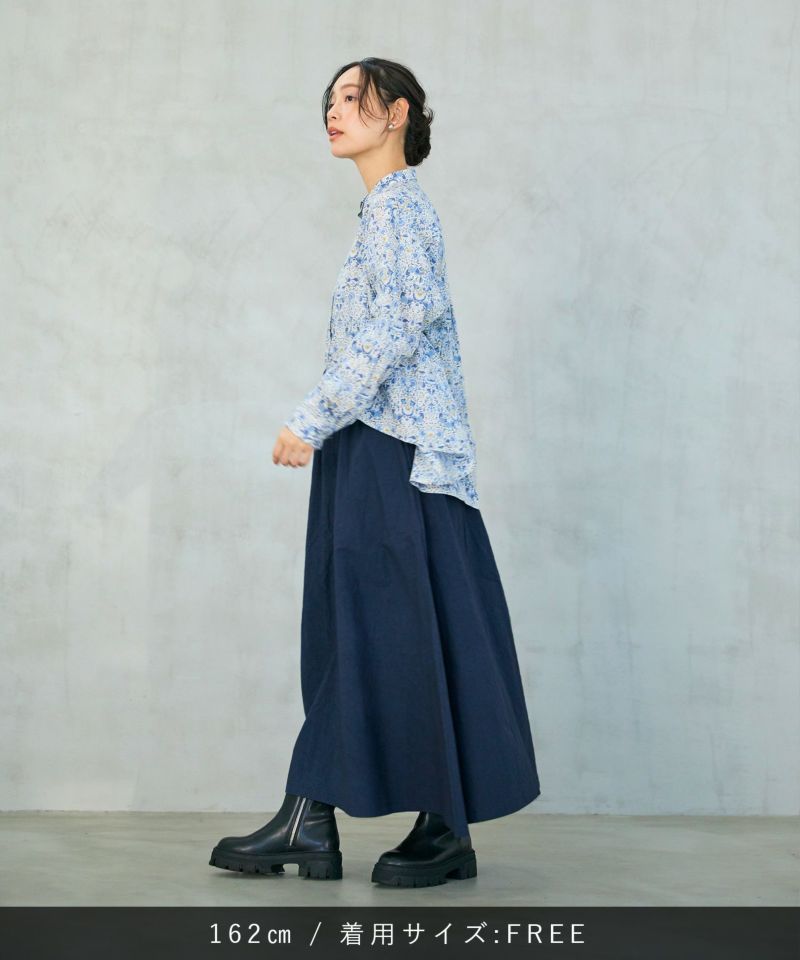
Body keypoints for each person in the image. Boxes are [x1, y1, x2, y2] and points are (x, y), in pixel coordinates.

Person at [209, 57, 541, 889]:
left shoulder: (399, 210)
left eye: (352, 98)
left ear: (397, 114)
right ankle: (368, 821)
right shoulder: (385, 212)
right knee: (388, 627)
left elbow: (398, 322)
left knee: (379, 628)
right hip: (384, 445)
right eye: (328, 101)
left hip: (394, 450)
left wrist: (311, 416)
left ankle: (338, 820)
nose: (334, 111)